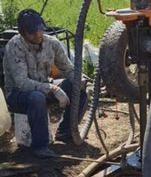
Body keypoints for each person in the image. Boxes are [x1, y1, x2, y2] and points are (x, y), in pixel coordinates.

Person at [3, 9, 88, 158]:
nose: (38, 35)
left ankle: (65, 132)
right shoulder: (14, 47)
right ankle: (40, 147)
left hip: (43, 88)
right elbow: (22, 83)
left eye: (40, 30)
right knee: (36, 98)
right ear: (23, 33)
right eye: (32, 32)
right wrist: (53, 89)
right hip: (18, 94)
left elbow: (67, 68)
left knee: (77, 88)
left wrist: (79, 79)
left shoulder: (52, 43)